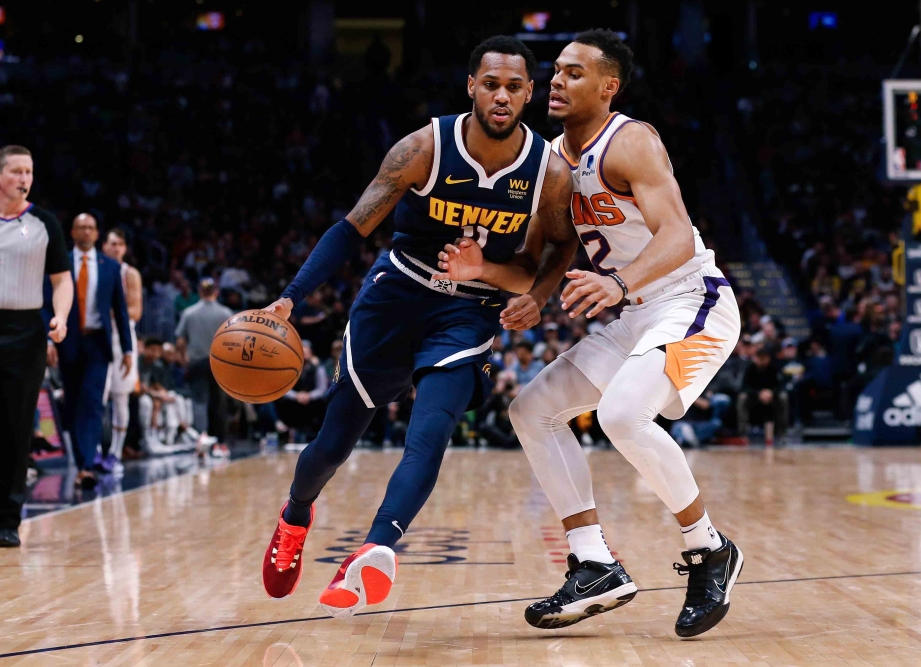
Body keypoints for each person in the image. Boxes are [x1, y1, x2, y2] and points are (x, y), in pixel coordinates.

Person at [259, 36, 578, 619]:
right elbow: (351, 229)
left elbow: (561, 246)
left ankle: (377, 547)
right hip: (396, 298)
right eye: (491, 84)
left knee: (429, 435)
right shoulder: (424, 148)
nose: (501, 96)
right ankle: (295, 516)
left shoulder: (549, 172)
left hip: (468, 311)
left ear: (530, 93)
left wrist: (536, 296)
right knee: (332, 444)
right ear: (471, 87)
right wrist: (290, 299)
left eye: (514, 86)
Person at [438, 30, 743, 636]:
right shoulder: (552, 161)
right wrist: (516, 286)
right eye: (555, 71)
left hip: (692, 301)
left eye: (574, 73)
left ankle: (709, 548)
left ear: (609, 87)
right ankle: (594, 560)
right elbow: (549, 253)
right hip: (634, 312)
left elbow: (679, 235)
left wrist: (622, 283)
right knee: (532, 410)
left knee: (623, 415)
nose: (556, 80)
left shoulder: (631, 141)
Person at [0, 145, 72, 547]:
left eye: (29, 171)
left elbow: (62, 281)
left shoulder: (45, 222)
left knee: (16, 425)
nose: (24, 178)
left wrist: (59, 316)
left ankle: (7, 520)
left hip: (27, 329)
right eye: (16, 171)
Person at [51, 213, 132, 490]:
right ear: (72, 232)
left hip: (99, 343)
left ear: (97, 234)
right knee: (73, 403)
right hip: (68, 340)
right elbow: (45, 303)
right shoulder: (59, 264)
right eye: (81, 227)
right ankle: (82, 459)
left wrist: (129, 349)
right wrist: (49, 341)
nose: (86, 232)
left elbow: (121, 312)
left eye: (90, 228)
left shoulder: (109, 266)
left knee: (94, 403)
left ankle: (87, 466)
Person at [100, 228, 143, 474]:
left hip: (122, 339)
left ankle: (115, 453)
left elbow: (135, 313)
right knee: (97, 398)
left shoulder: (130, 274)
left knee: (120, 398)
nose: (116, 248)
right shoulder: (97, 268)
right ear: (103, 245)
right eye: (112, 243)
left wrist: (108, 313)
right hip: (99, 338)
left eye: (120, 244)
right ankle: (93, 452)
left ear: (125, 248)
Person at [174, 278, 233, 450]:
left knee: (199, 401)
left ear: (199, 292)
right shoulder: (226, 313)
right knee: (219, 403)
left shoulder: (189, 313)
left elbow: (179, 341)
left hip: (197, 362)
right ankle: (220, 443)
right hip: (220, 363)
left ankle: (202, 438)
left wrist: (183, 358)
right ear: (217, 292)